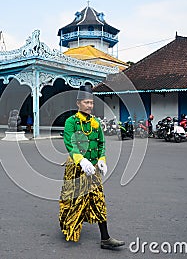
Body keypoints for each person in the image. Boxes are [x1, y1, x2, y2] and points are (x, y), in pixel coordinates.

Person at [59, 85, 125, 249]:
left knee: (98, 200)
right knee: (74, 201)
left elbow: (101, 143)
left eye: (91, 103)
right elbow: (70, 143)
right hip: (76, 168)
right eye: (86, 102)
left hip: (93, 169)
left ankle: (105, 238)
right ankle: (69, 227)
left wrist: (101, 159)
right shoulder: (71, 122)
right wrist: (81, 160)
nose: (89, 105)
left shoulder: (96, 122)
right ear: (78, 103)